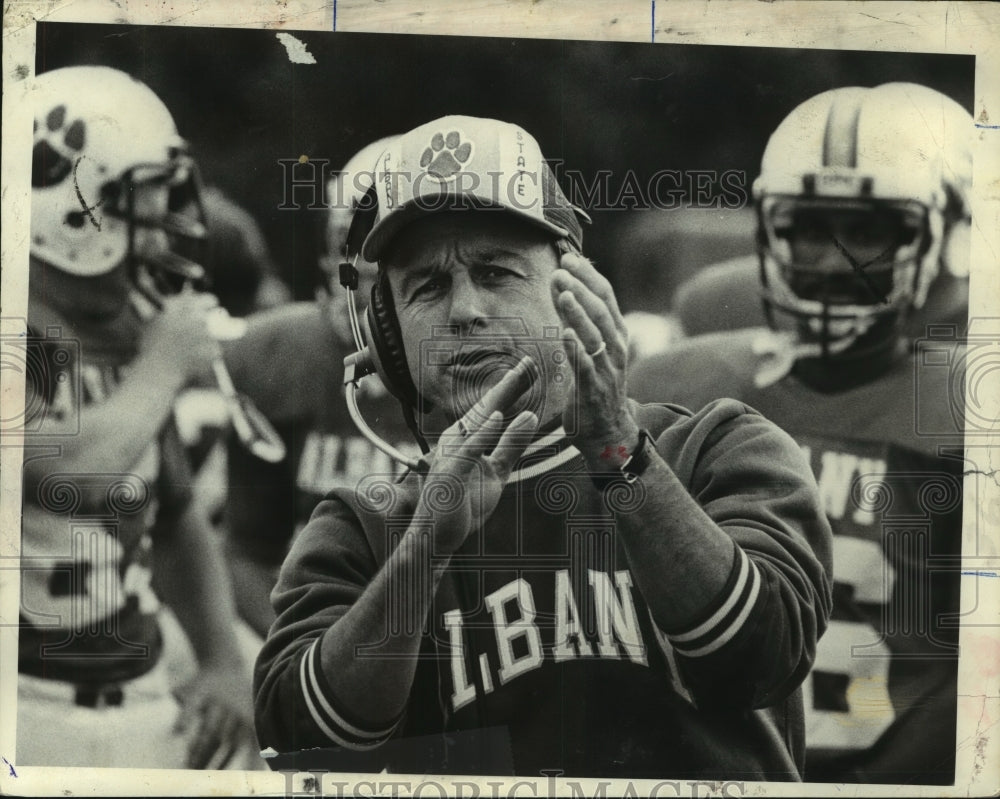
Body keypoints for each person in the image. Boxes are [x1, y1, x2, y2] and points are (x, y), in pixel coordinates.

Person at [254, 115, 833, 779]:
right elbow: (301, 746)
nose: (465, 309)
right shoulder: (360, 527)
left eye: (497, 272)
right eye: (428, 285)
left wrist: (619, 453)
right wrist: (424, 550)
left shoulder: (719, 448)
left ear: (573, 288)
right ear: (390, 336)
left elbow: (762, 657)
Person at [629, 82, 971, 785]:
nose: (829, 257)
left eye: (868, 231)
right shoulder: (673, 384)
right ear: (768, 229)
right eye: (808, 226)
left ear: (938, 239)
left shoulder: (968, 406)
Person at [17, 65, 256, 770]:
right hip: (23, 702)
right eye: (142, 207)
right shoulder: (17, 319)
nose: (161, 233)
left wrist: (220, 659)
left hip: (139, 690)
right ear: (71, 205)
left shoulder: (129, 327)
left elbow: (177, 516)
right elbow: (69, 472)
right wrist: (163, 364)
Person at [221, 138, 419, 637]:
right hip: (310, 624)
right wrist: (302, 661)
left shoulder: (481, 362)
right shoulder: (276, 353)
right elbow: (248, 552)